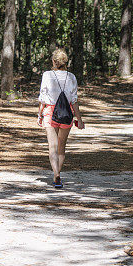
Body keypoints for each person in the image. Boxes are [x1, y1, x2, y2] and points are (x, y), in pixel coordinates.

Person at [37, 48, 85, 188]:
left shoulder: (47, 75)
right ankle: (57, 174)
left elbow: (43, 98)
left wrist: (39, 114)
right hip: (67, 114)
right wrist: (80, 120)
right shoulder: (71, 77)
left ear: (53, 61)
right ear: (66, 62)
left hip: (50, 112)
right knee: (61, 146)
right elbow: (74, 101)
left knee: (52, 146)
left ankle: (56, 173)